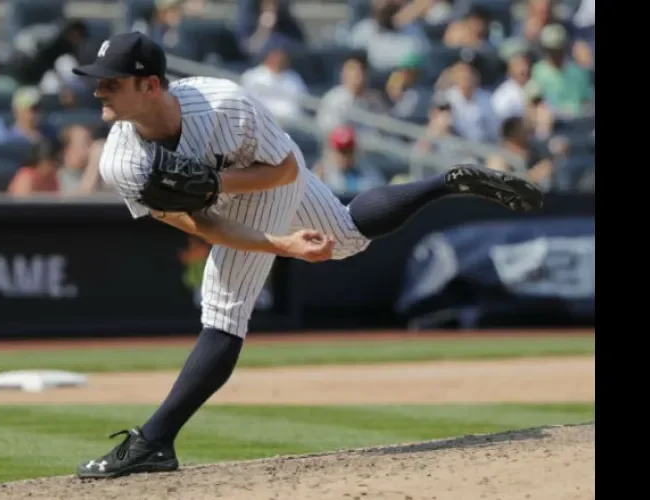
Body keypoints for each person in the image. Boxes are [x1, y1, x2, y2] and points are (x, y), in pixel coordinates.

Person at [72, 31, 543, 479]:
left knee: (223, 311)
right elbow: (190, 220)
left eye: (112, 82)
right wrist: (275, 241)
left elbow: (284, 170)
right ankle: (446, 182)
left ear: (151, 85)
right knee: (346, 238)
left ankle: (155, 440)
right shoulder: (121, 160)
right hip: (224, 194)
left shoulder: (224, 103)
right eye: (99, 81)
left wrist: (224, 190)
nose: (99, 93)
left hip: (266, 171)